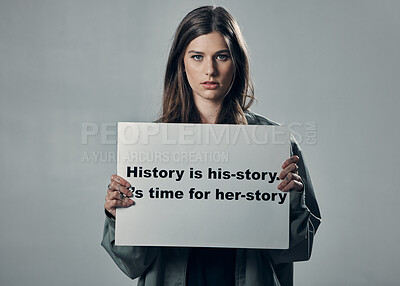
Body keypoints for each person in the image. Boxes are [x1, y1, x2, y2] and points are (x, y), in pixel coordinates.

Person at [102, 6, 321, 286]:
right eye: (197, 57)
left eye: (222, 56)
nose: (210, 70)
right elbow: (132, 264)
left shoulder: (274, 143)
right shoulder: (148, 145)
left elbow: (297, 250)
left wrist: (290, 201)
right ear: (181, 63)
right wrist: (118, 215)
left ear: (237, 62)